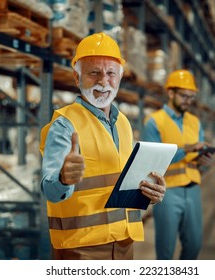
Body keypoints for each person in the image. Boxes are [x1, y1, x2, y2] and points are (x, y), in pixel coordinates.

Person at [39, 32, 166, 260]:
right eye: (94, 73)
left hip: (125, 242)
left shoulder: (123, 124)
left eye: (111, 73)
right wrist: (62, 178)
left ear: (120, 77)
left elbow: (119, 182)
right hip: (81, 249)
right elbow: (49, 189)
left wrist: (149, 191)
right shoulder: (64, 125)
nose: (103, 81)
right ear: (77, 77)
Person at [142, 69, 214, 260]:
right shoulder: (154, 122)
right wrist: (187, 149)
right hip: (167, 193)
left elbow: (197, 158)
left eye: (191, 97)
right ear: (171, 93)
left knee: (195, 245)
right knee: (166, 251)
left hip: (193, 190)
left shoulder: (195, 122)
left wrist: (203, 161)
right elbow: (153, 160)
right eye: (184, 96)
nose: (188, 101)